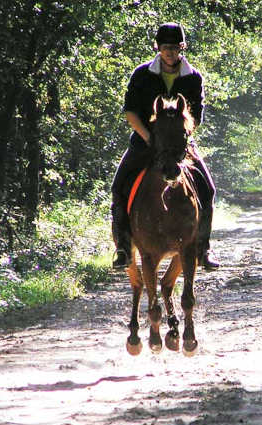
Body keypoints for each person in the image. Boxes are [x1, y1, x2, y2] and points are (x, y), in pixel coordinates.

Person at [110, 22, 220, 271]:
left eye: (174, 47)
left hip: (179, 145)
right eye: (165, 47)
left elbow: (196, 117)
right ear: (157, 47)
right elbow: (130, 112)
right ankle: (124, 247)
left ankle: (203, 248)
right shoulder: (141, 74)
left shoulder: (193, 78)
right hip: (145, 141)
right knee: (119, 187)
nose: (170, 52)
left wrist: (178, 139)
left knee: (208, 189)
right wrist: (149, 138)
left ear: (182, 47)